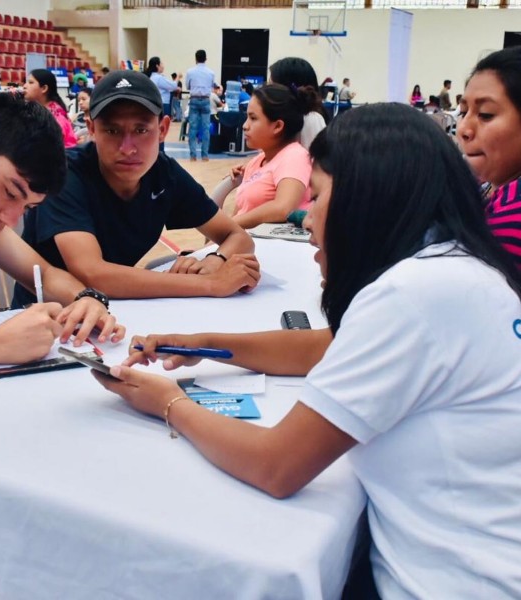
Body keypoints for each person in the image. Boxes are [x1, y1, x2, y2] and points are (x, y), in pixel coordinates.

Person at [94, 102, 521, 599]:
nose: (307, 219)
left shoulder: (412, 296)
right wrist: (207, 344)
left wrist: (168, 403)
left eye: (317, 196)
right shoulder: (453, 271)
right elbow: (327, 348)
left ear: (365, 199)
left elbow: (276, 466)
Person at [0, 93, 123, 381]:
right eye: (10, 192)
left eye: (27, 207)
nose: (11, 219)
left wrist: (87, 300)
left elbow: (45, 275)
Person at [14, 70, 259, 306]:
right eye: (112, 131)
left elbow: (238, 237)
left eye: (141, 130)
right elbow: (92, 274)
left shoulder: (164, 173)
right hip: (46, 315)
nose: (127, 148)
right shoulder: (65, 173)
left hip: (118, 309)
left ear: (162, 129)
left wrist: (216, 259)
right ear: (92, 129)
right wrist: (211, 284)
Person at [457, 46, 521, 270]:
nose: (463, 129)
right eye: (463, 112)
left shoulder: (511, 220)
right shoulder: (487, 186)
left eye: (485, 115)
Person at [227, 83, 313, 229]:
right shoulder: (256, 162)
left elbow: (284, 208)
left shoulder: (295, 157)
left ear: (277, 126)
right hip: (242, 239)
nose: (245, 126)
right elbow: (240, 213)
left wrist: (228, 225)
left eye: (253, 118)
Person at [269, 56, 328, 150]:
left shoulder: (310, 119)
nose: (267, 90)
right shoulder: (278, 117)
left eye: (272, 86)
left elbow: (314, 156)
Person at [23, 69, 77, 148]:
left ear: (44, 88)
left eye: (31, 82)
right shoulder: (33, 110)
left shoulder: (56, 117)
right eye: (26, 82)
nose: (24, 86)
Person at [186, 49, 215, 162]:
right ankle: (205, 155)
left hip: (194, 99)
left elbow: (187, 86)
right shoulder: (211, 73)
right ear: (206, 59)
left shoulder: (190, 72)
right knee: (206, 128)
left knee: (193, 128)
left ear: (195, 59)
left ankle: (193, 155)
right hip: (206, 100)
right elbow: (212, 85)